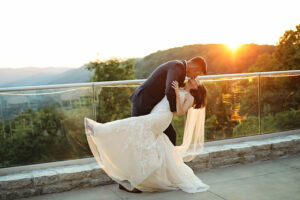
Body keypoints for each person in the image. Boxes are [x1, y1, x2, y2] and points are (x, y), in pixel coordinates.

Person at [84, 78, 210, 194]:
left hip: (161, 117)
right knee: (140, 140)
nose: (195, 79)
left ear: (196, 88)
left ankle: (99, 129)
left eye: (198, 82)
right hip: (156, 114)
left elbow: (180, 112)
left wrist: (176, 93)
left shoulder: (190, 97)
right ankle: (138, 181)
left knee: (132, 124)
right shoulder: (181, 88)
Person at [130, 57, 207, 146]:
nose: (195, 77)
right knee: (137, 132)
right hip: (143, 100)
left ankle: (169, 158)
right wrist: (173, 109)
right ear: (195, 67)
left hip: (157, 108)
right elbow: (169, 90)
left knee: (170, 135)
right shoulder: (177, 66)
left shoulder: (180, 70)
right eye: (197, 74)